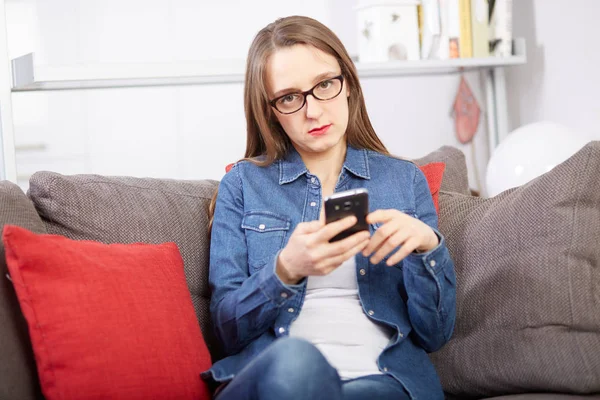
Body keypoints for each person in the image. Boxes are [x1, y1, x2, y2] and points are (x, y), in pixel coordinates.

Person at [202, 15, 457, 400]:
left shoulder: (404, 181)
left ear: (348, 84)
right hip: (278, 377)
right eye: (290, 97)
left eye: (324, 85)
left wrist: (427, 249)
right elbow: (224, 332)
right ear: (270, 110)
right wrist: (285, 270)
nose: (313, 111)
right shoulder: (243, 186)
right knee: (298, 363)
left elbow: (434, 334)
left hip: (381, 382)